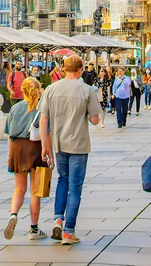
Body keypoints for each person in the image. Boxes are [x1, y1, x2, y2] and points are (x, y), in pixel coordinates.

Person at [38, 55, 104, 245]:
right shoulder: (87, 90)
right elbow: (94, 119)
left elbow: (43, 119)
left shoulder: (51, 89)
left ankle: (58, 218)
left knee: (62, 181)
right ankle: (68, 232)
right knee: (75, 187)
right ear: (80, 69)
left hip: (58, 144)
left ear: (64, 69)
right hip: (79, 143)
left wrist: (45, 145)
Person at [4, 77, 47, 241]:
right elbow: (46, 132)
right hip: (35, 148)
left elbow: (9, 134)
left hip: (17, 149)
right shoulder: (41, 109)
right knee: (35, 190)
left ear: (22, 90)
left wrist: (10, 155)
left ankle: (13, 215)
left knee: (19, 188)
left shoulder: (15, 108)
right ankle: (34, 229)